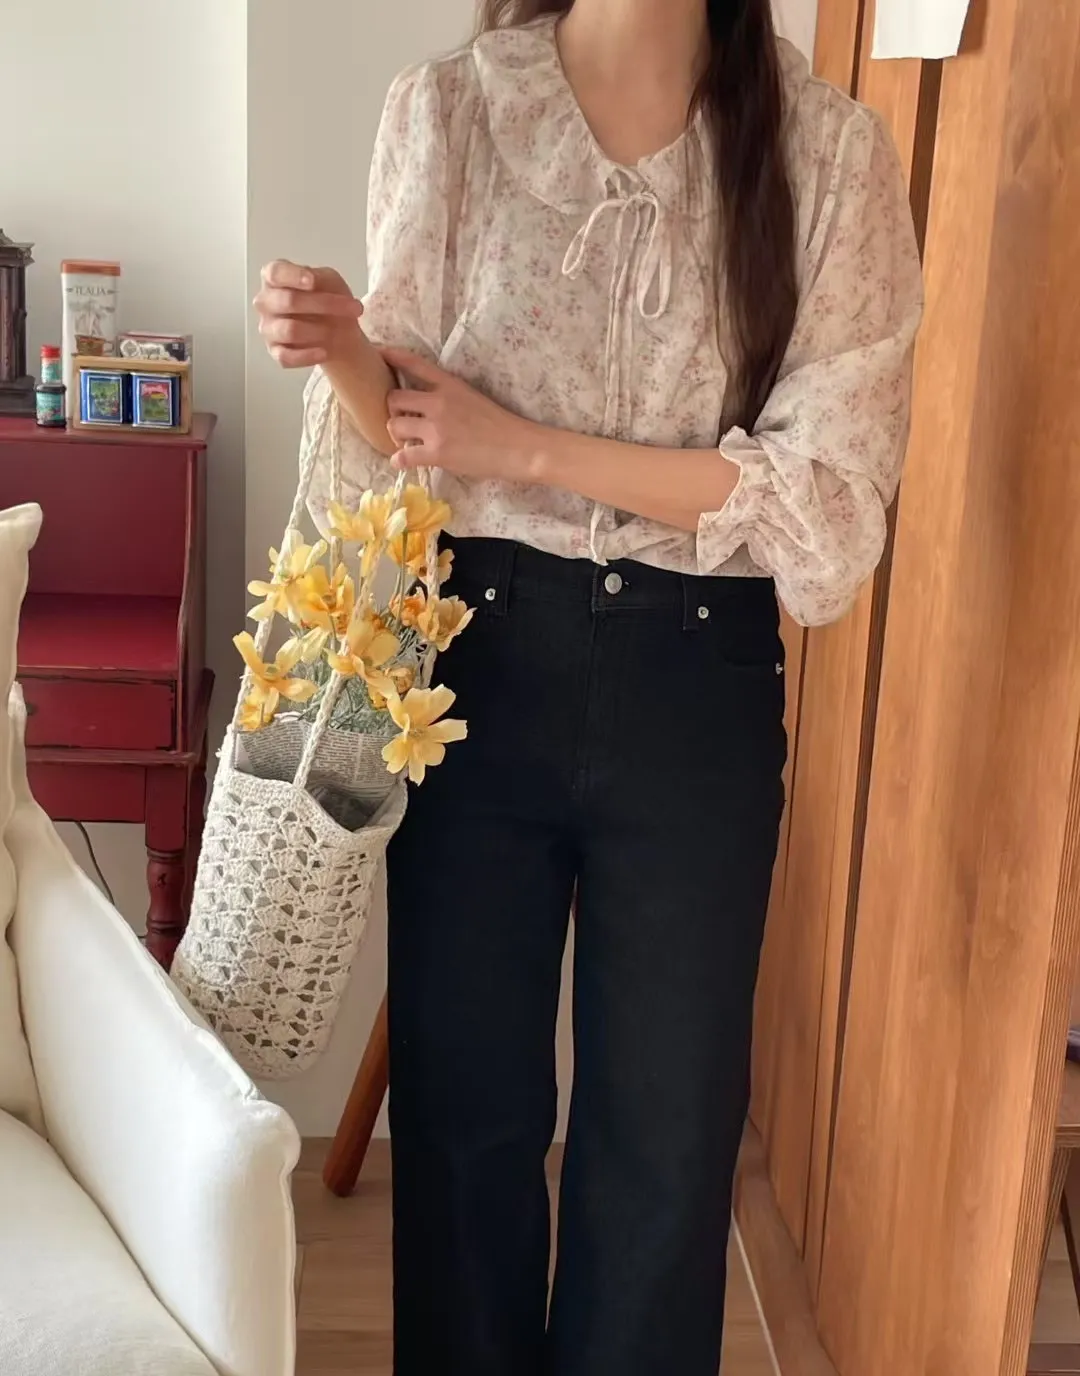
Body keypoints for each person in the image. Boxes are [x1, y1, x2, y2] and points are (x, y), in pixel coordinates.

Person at [254, 1, 923, 1371]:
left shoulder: (830, 153)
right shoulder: (451, 110)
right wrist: (343, 352)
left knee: (670, 1132)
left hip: (700, 676)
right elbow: (414, 439)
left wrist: (528, 447)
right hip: (478, 665)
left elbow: (830, 506)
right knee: (464, 1113)